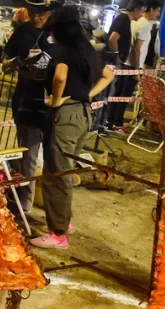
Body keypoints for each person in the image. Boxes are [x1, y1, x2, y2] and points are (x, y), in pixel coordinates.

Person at [30, 6, 114, 249]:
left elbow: (59, 77)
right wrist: (86, 94)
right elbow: (108, 75)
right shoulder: (87, 49)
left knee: (55, 173)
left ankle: (57, 234)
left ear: (59, 31)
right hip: (83, 115)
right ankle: (63, 222)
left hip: (65, 116)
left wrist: (55, 101)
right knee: (65, 172)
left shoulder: (62, 51)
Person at [2, 0, 57, 216]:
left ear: (50, 12)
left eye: (41, 14)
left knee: (54, 157)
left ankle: (54, 209)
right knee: (28, 154)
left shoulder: (57, 33)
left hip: (53, 102)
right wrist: (16, 63)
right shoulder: (22, 32)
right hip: (26, 101)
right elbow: (4, 64)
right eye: (33, 13)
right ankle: (23, 205)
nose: (36, 18)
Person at [106, 0, 161, 131]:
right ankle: (117, 123)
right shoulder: (144, 25)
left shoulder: (133, 22)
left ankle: (110, 120)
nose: (158, 14)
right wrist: (137, 70)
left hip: (125, 63)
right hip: (132, 65)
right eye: (158, 10)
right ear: (151, 9)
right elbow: (137, 48)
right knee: (123, 97)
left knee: (117, 95)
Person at [104, 0, 145, 130]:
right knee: (109, 92)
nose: (142, 15)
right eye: (142, 11)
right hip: (112, 62)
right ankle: (103, 124)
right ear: (136, 10)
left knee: (113, 92)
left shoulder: (125, 20)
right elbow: (113, 38)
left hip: (114, 61)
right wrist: (117, 55)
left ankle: (106, 123)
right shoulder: (123, 19)